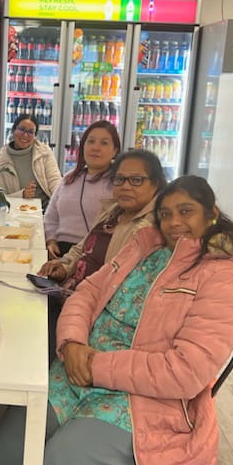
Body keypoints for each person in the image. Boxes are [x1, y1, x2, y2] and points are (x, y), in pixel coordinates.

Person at [0, 176, 233, 465]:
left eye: (186, 211)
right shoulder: (146, 247)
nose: (174, 222)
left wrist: (94, 365)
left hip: (146, 400)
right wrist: (70, 343)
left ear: (211, 214)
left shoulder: (222, 277)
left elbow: (187, 372)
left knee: (68, 462)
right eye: (165, 213)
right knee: (14, 439)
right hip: (78, 372)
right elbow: (87, 293)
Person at [38, 149, 166, 356]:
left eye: (136, 180)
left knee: (32, 342)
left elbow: (116, 287)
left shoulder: (149, 229)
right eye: (120, 179)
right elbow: (84, 245)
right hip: (69, 292)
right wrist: (64, 266)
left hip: (91, 313)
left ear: (155, 184)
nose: (125, 186)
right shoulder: (114, 211)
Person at [43, 120, 120, 259]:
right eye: (90, 141)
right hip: (59, 252)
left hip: (95, 256)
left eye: (104, 143)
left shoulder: (118, 185)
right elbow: (51, 216)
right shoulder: (69, 179)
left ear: (115, 150)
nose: (95, 148)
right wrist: (51, 240)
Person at [0, 113, 61, 210]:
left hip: (46, 210)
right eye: (21, 129)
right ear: (13, 130)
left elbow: (55, 181)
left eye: (30, 132)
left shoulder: (44, 153)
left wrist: (61, 201)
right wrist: (22, 195)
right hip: (15, 212)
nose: (25, 135)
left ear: (35, 135)